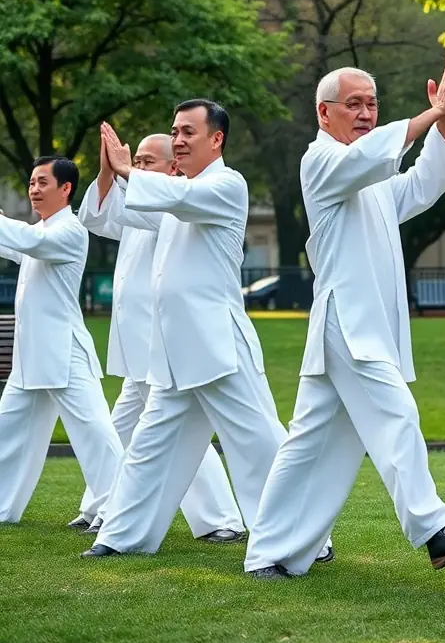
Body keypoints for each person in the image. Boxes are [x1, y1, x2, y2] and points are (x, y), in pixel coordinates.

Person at [245, 55, 445, 580]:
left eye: (372, 104)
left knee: (309, 442)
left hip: (363, 323)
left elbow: (424, 182)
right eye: (352, 104)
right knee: (396, 414)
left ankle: (272, 553)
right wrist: (427, 117)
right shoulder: (321, 161)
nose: (365, 113)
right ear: (323, 112)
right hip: (348, 322)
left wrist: (444, 119)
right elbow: (374, 158)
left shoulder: (373, 175)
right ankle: (432, 528)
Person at [82, 100, 288, 558]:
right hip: (175, 353)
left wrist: (128, 171)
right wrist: (109, 171)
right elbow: (108, 217)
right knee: (150, 448)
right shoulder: (175, 193)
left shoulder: (226, 184)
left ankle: (306, 543)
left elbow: (177, 197)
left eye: (188, 132)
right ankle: (122, 538)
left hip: (219, 346)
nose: (178, 139)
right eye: (174, 131)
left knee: (259, 444)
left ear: (216, 139)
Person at [70, 129, 245, 542]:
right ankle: (102, 506)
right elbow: (96, 216)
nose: (140, 167)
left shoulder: (178, 201)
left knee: (174, 433)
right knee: (123, 429)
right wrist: (107, 170)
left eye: (149, 161)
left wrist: (129, 172)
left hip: (164, 343)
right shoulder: (147, 200)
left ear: (171, 168)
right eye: (140, 160)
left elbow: (149, 201)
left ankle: (220, 519)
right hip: (137, 343)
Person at [0, 156, 122, 523]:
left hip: (65, 355)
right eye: (32, 183)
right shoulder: (43, 233)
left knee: (96, 436)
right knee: (7, 433)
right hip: (30, 360)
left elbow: (29, 240)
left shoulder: (69, 231)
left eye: (42, 183)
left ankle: (119, 510)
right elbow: (17, 245)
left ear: (65, 189)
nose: (34, 190)